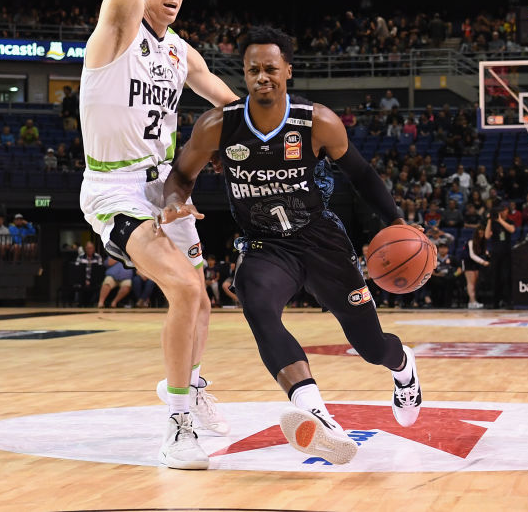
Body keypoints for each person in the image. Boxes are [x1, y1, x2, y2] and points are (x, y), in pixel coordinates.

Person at [78, 0, 278, 469]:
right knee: (187, 289)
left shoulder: (179, 53)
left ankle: (192, 388)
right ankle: (176, 425)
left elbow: (227, 103)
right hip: (113, 190)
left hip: (167, 192)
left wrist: (284, 125)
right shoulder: (115, 30)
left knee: (201, 301)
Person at [160, 26, 422, 465]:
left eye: (271, 69)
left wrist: (397, 221)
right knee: (257, 303)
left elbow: (361, 175)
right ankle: (316, 413)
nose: (263, 77)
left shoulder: (317, 120)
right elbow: (182, 175)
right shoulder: (217, 126)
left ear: (288, 72)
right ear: (244, 74)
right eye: (253, 70)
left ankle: (404, 368)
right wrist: (172, 201)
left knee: (371, 347)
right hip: (265, 245)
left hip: (321, 240)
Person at [486, 203, 515, 308]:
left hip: (506, 253)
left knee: (506, 277)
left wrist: (500, 220)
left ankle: (508, 301)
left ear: (507, 211)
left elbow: (512, 229)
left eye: (503, 210)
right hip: (495, 253)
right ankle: (495, 302)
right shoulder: (493, 223)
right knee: (495, 278)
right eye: (499, 211)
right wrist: (490, 220)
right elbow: (486, 235)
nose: (501, 212)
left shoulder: (509, 221)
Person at [461, 227, 490, 309]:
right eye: (479, 233)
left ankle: (471, 302)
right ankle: (473, 301)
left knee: (475, 282)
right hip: (468, 262)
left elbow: (483, 252)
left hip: (475, 263)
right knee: (470, 283)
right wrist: (483, 262)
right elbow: (472, 255)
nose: (481, 235)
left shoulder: (483, 242)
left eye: (482, 233)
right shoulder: (471, 241)